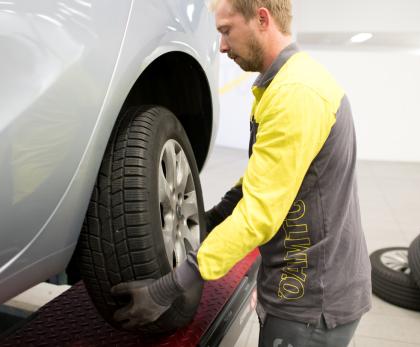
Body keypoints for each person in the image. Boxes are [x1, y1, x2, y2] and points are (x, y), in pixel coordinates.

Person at [110, 0, 371, 345]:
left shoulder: (295, 94)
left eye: (226, 30)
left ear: (261, 18)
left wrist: (168, 288)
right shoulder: (285, 83)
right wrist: (212, 218)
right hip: (302, 282)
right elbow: (264, 179)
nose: (221, 45)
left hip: (311, 302)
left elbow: (258, 215)